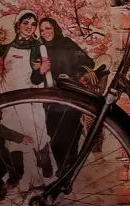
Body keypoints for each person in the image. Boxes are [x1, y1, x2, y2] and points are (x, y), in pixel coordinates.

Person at [0, 12, 52, 176]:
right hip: (8, 92)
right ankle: (17, 173)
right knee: (12, 130)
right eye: (25, 22)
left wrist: (41, 71)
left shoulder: (37, 47)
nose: (29, 27)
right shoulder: (8, 43)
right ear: (18, 25)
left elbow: (36, 79)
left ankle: (45, 163)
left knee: (37, 129)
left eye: (33, 24)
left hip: (30, 94)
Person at [31, 19, 97, 178]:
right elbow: (35, 79)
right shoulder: (40, 50)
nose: (46, 32)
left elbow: (88, 62)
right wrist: (41, 70)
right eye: (42, 30)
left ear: (55, 28)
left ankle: (69, 172)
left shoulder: (67, 43)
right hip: (51, 100)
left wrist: (75, 75)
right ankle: (63, 169)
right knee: (55, 138)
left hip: (71, 97)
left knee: (71, 137)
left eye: (48, 28)